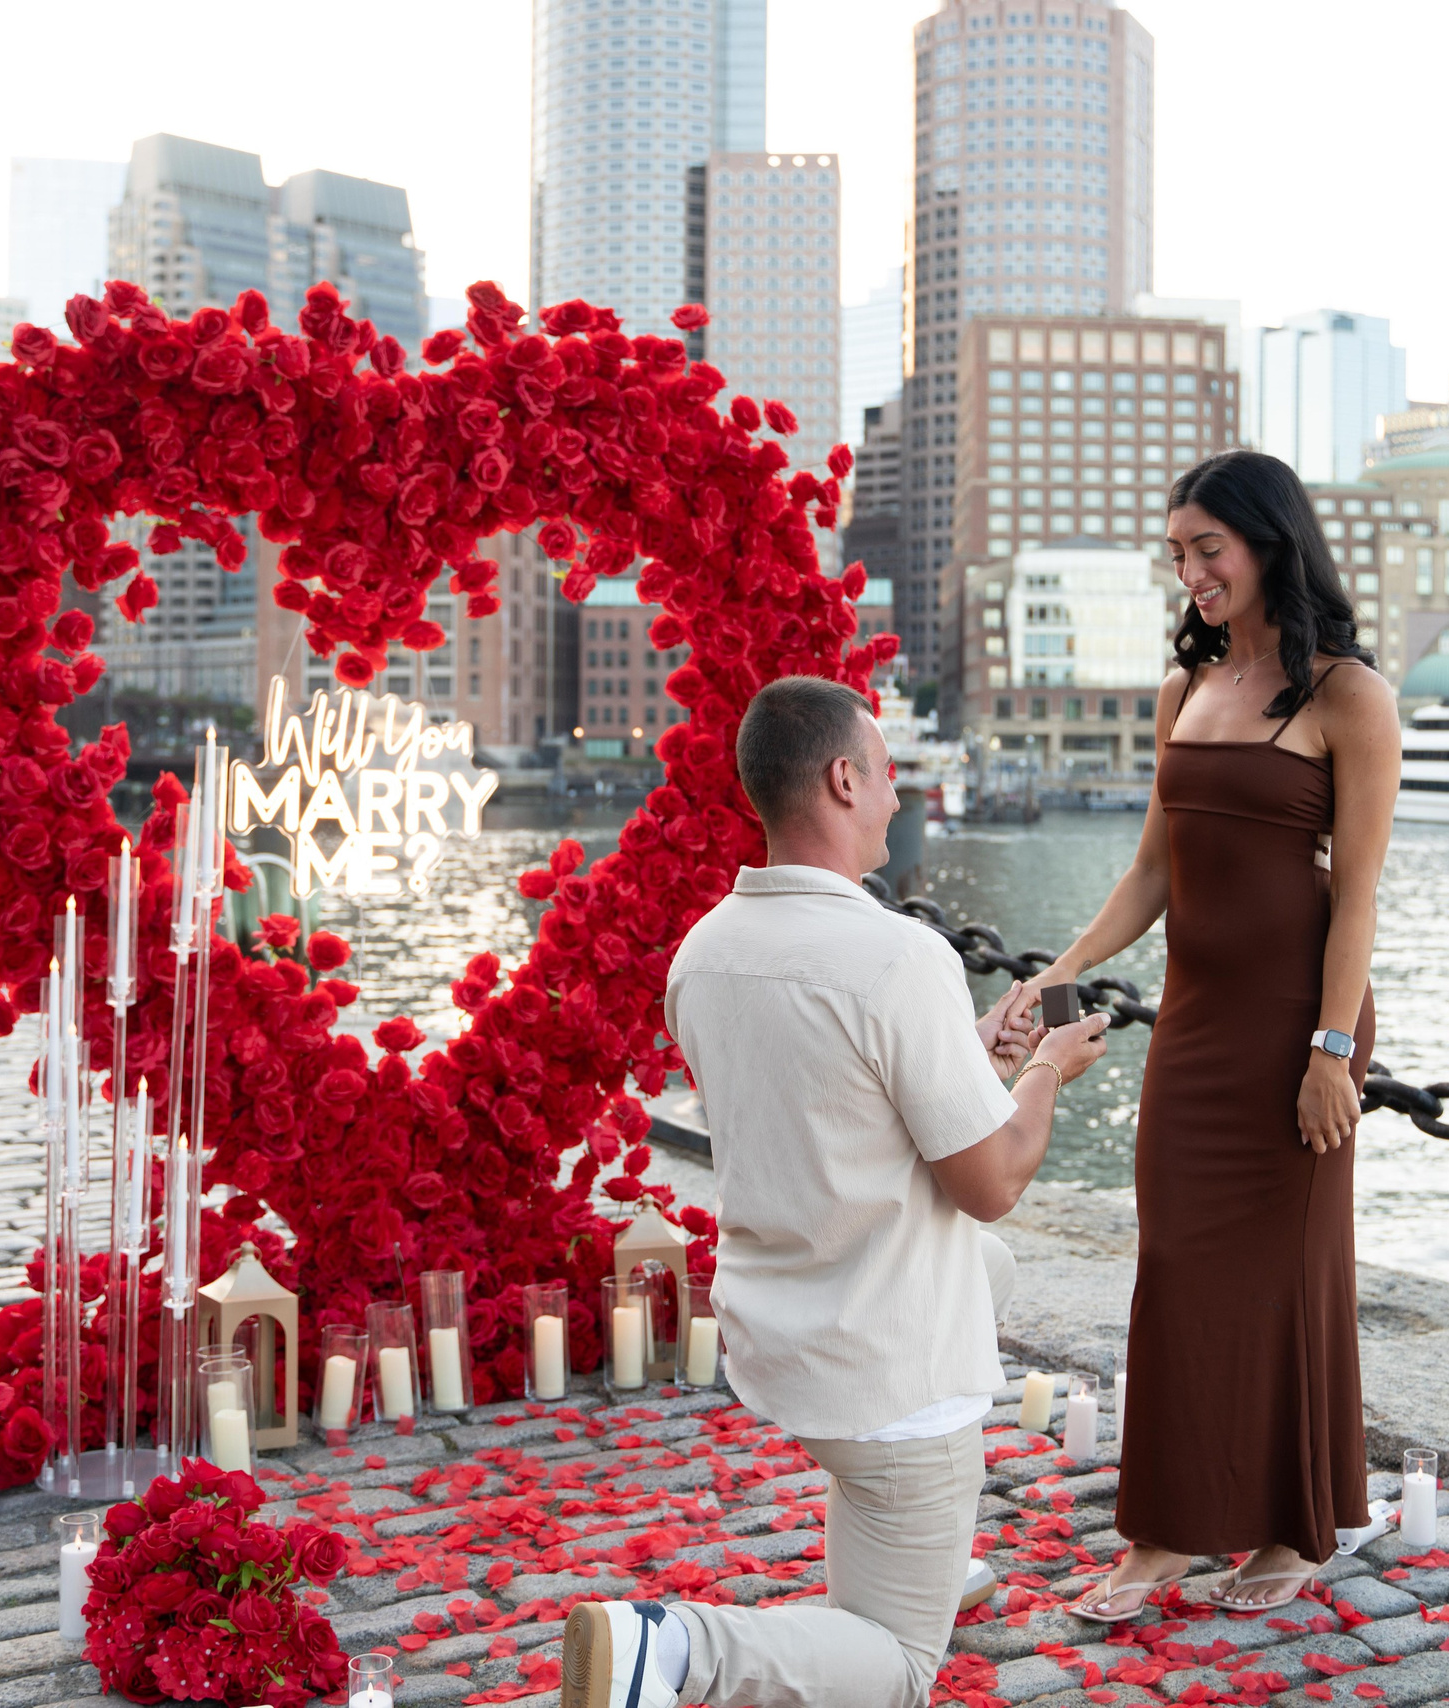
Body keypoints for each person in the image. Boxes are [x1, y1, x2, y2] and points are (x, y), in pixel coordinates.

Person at [562, 675, 1114, 1708]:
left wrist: (970, 1054)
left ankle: (922, 1553)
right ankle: (670, 1649)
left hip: (782, 1331)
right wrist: (1045, 1071)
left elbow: (842, 1111)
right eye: (891, 773)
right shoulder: (897, 956)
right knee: (898, 1665)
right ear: (844, 776)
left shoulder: (704, 951)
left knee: (984, 1272)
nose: (900, 798)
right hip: (888, 1368)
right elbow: (989, 1180)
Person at [1025, 449, 1402, 1620]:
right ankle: (1171, 1531)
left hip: (1302, 1024)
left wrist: (1330, 1053)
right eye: (1178, 551)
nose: (1189, 572)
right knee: (1178, 1268)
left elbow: (1359, 896)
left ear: (1269, 546)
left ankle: (1291, 1526)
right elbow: (1153, 868)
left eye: (1209, 549)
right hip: (1195, 1026)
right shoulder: (1182, 689)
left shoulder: (1350, 697)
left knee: (1291, 1277)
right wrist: (1070, 963)